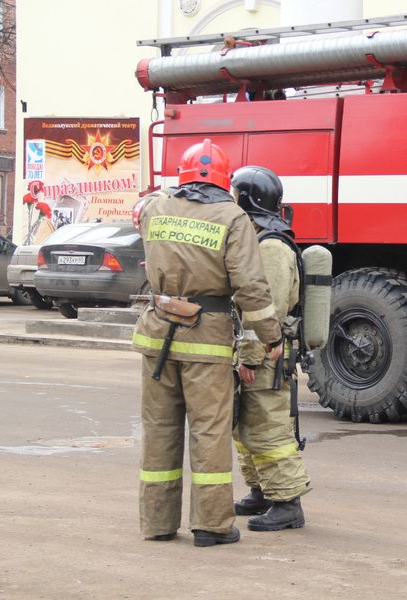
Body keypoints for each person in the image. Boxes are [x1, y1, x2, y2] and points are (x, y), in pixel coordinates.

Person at [132, 140, 284, 547]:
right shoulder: (232, 218)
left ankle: (157, 523)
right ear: (224, 179)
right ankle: (212, 526)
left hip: (157, 334)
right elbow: (251, 287)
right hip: (206, 340)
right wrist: (272, 337)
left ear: (183, 175)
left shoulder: (154, 207)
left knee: (159, 430)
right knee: (209, 433)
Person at [230, 165, 311, 531]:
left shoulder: (273, 247)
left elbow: (268, 308)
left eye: (234, 195)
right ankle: (263, 491)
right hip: (256, 352)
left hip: (266, 355)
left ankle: (287, 503)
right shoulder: (259, 238)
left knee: (270, 429)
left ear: (246, 199)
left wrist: (250, 354)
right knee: (246, 427)